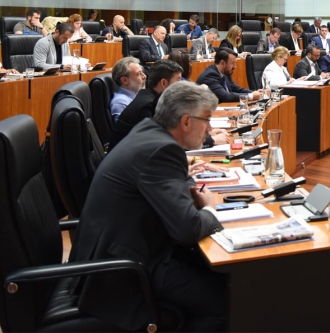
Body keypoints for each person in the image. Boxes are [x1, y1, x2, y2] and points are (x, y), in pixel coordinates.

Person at [70, 82, 227, 331]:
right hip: (126, 272)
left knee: (221, 275)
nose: (209, 129)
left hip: (121, 251)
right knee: (228, 302)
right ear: (185, 121)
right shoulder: (162, 149)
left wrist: (186, 183)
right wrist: (209, 208)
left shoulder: (149, 131)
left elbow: (174, 179)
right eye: (207, 120)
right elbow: (187, 229)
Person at [110, 60, 183, 150]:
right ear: (164, 83)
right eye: (178, 81)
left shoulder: (147, 96)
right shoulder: (147, 105)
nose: (181, 85)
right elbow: (157, 143)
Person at [109, 57, 145, 122]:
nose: (144, 76)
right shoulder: (120, 103)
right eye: (139, 74)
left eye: (142, 72)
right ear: (125, 80)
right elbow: (124, 131)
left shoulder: (138, 96)